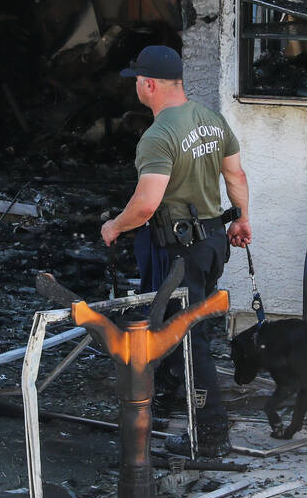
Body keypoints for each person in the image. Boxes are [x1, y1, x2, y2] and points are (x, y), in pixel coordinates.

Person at [101, 45, 252, 458]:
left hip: (178, 249)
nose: (136, 86)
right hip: (210, 243)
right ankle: (168, 396)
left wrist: (114, 225)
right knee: (169, 323)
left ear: (148, 85)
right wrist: (241, 219)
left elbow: (148, 204)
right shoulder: (211, 120)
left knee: (188, 335)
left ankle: (211, 433)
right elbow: (235, 174)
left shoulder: (159, 135)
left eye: (137, 80)